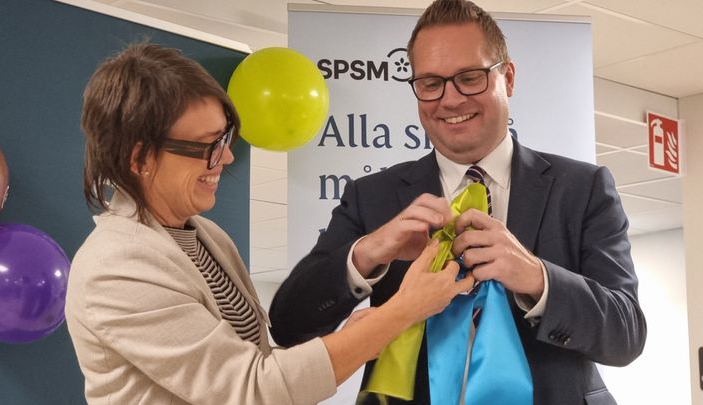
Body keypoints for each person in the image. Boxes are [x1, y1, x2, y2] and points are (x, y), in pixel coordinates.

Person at [269, 1, 647, 404]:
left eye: (470, 78)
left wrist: (537, 278)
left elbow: (626, 335)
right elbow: (289, 325)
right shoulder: (372, 196)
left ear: (509, 77)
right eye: (431, 83)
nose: (450, 100)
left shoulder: (582, 188)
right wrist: (366, 254)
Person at [64, 43, 471, 405]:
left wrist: (358, 324)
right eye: (208, 147)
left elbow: (254, 360)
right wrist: (398, 314)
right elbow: (254, 391)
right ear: (140, 159)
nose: (224, 160)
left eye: (225, 141)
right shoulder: (116, 268)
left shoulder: (207, 236)